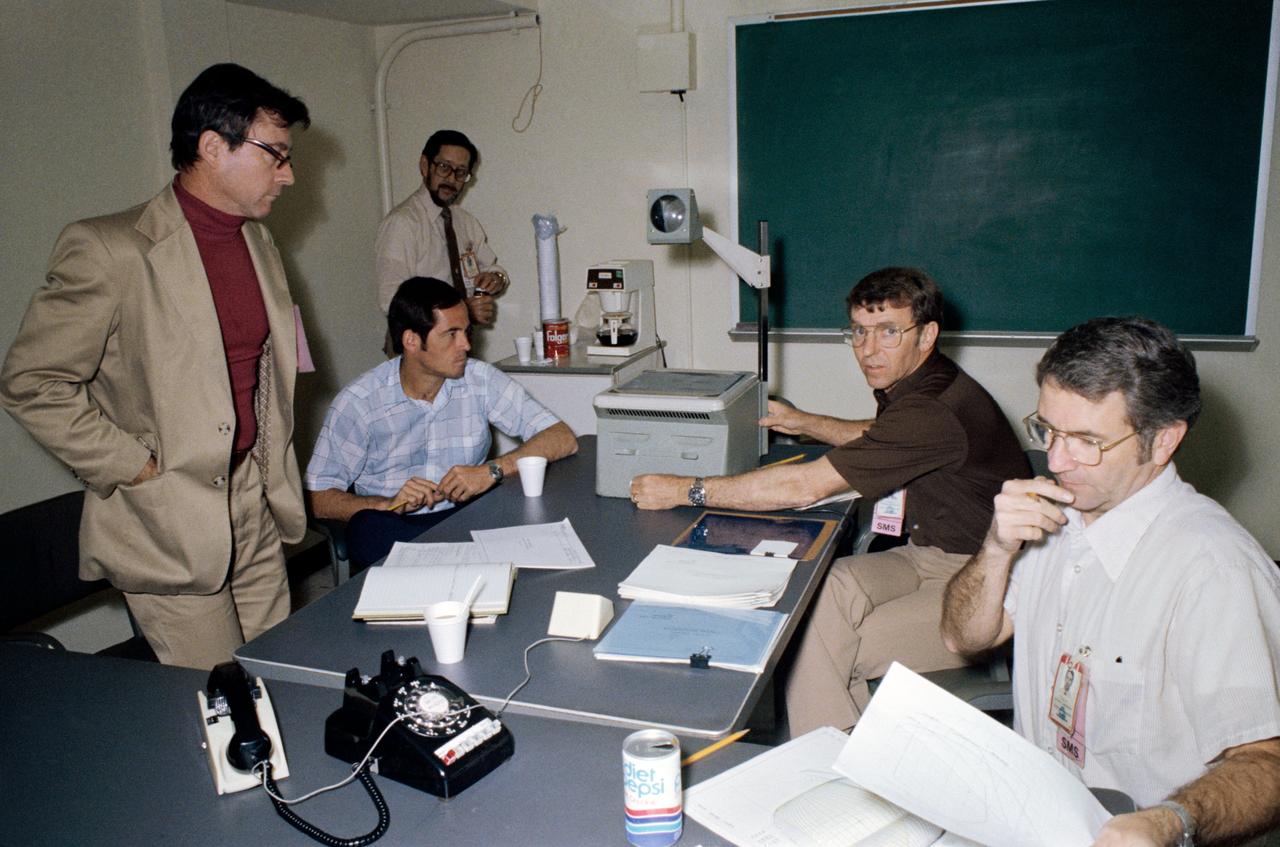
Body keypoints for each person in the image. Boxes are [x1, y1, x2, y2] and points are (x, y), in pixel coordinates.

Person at [0, 64, 311, 669]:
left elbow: (267, 365)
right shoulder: (109, 248)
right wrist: (133, 465)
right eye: (275, 155)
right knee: (220, 705)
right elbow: (32, 382)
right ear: (213, 146)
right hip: (169, 510)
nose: (289, 174)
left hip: (253, 499)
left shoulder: (258, 241)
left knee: (281, 675)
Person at [631, 267, 1029, 735]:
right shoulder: (924, 381)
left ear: (927, 335)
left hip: (985, 579)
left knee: (814, 657)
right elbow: (881, 437)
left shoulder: (932, 407)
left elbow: (805, 487)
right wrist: (807, 422)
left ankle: (830, 779)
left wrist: (686, 489)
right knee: (822, 589)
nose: (868, 349)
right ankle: (833, 757)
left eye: (887, 332)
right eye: (859, 331)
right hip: (929, 554)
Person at [941, 316, 1280, 846]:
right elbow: (965, 637)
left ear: (1163, 441)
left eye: (1086, 441)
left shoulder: (1215, 569)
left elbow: (1267, 763)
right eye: (1048, 429)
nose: (1054, 459)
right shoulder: (1052, 512)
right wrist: (995, 548)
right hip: (1032, 815)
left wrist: (1170, 822)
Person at [307, 277, 576, 570]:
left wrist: (491, 470)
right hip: (393, 530)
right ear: (411, 341)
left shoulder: (480, 379)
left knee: (525, 516)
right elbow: (319, 498)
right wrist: (388, 504)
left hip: (465, 518)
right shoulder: (359, 402)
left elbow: (562, 437)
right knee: (369, 528)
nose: (466, 344)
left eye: (466, 331)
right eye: (451, 334)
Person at [373, 129, 509, 328]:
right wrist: (463, 311)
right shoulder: (402, 223)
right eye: (444, 167)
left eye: (460, 172)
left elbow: (492, 268)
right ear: (425, 165)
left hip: (459, 341)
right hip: (419, 345)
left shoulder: (464, 221)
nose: (451, 179)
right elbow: (391, 301)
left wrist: (496, 278)